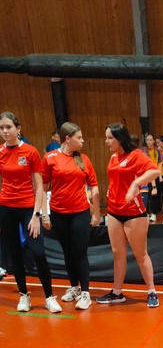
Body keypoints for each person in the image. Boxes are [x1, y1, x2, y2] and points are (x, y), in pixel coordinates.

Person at [0, 111, 62, 313]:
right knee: (15, 253)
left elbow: (39, 187)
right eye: (1, 128)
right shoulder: (0, 152)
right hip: (6, 208)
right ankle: (23, 295)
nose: (5, 131)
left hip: (28, 208)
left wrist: (37, 215)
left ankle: (49, 297)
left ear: (18, 129)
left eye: (8, 127)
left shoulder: (31, 152)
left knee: (38, 252)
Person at [97, 123, 161, 308]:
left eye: (110, 138)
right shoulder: (113, 157)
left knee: (141, 254)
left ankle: (151, 292)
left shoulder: (136, 155)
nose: (107, 141)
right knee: (118, 254)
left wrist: (135, 185)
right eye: (106, 137)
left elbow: (155, 171)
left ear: (120, 138)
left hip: (134, 213)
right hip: (114, 211)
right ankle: (117, 293)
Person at [41, 122, 100, 310]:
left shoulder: (84, 159)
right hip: (58, 214)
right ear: (67, 138)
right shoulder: (50, 158)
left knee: (80, 252)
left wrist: (96, 213)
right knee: (67, 252)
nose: (82, 141)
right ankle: (74, 287)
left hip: (80, 213)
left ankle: (86, 293)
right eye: (79, 137)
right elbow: (42, 188)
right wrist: (44, 214)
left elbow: (95, 187)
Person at [143, 133, 161, 221]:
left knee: (154, 195)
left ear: (153, 141)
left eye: (150, 140)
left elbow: (159, 163)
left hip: (154, 175)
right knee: (146, 194)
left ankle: (154, 213)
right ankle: (146, 213)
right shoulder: (143, 150)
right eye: (147, 140)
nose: (149, 142)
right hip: (146, 176)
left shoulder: (157, 151)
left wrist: (160, 176)